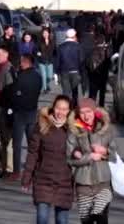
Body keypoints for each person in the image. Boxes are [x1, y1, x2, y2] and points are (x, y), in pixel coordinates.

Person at [22, 95, 74, 224]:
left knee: (62, 220)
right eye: (58, 108)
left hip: (65, 182)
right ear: (53, 108)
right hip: (43, 179)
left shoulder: (73, 130)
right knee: (42, 218)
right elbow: (33, 153)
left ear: (69, 111)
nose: (60, 112)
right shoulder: (42, 126)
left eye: (64, 109)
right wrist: (27, 177)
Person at [67, 98, 117, 224]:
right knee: (87, 221)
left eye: (88, 111)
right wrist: (89, 157)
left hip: (103, 183)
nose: (86, 115)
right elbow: (69, 158)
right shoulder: (74, 130)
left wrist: (104, 151)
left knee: (101, 217)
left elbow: (115, 156)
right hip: (83, 184)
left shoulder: (106, 129)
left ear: (94, 111)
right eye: (82, 112)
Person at [6, 54, 42, 182]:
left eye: (21, 62)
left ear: (25, 63)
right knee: (33, 144)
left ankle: (16, 171)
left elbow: (14, 95)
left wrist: (13, 106)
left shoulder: (21, 77)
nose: (20, 65)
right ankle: (34, 170)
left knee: (17, 144)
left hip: (20, 113)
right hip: (32, 111)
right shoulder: (38, 77)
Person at [0, 45, 17, 178]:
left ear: (6, 54)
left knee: (6, 138)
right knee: (3, 138)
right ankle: (3, 165)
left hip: (4, 107)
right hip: (0, 105)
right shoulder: (0, 68)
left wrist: (8, 108)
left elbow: (9, 89)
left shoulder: (7, 69)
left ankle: (7, 167)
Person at [56, 29, 85, 105]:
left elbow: (57, 61)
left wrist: (56, 73)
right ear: (74, 36)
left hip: (64, 71)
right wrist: (82, 73)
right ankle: (74, 107)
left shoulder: (60, 46)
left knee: (66, 92)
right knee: (75, 91)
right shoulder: (78, 46)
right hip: (75, 71)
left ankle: (66, 107)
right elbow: (81, 60)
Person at [87, 30, 110, 107]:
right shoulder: (106, 52)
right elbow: (109, 64)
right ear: (103, 41)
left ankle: (91, 109)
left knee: (92, 96)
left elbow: (88, 64)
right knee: (102, 95)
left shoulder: (92, 51)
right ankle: (101, 109)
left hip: (93, 77)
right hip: (103, 77)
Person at [80, 24, 96, 96]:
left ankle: (84, 90)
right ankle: (90, 92)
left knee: (84, 76)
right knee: (91, 77)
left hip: (83, 60)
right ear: (92, 30)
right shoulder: (94, 39)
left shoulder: (82, 38)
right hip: (91, 61)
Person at [38, 28, 55, 94]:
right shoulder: (39, 41)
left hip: (50, 61)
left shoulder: (52, 41)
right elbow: (36, 49)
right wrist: (37, 52)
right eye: (44, 33)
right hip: (41, 60)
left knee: (50, 77)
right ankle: (44, 89)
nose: (45, 34)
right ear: (42, 34)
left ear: (48, 34)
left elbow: (54, 50)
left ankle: (47, 85)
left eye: (46, 33)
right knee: (44, 75)